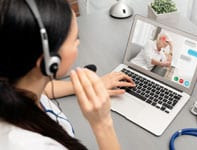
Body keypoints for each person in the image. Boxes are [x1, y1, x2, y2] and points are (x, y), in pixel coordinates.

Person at [0, 0, 135, 149]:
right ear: (49, 62)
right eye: (75, 39)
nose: (78, 43)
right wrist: (103, 124)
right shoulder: (32, 145)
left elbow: (40, 88)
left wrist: (80, 87)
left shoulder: (16, 83)